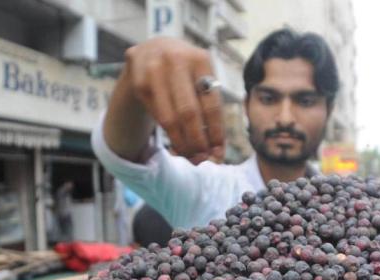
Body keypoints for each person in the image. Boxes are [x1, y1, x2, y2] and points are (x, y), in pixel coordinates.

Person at [92, 29, 338, 232]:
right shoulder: (208, 190)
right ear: (246, 105)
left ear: (328, 110)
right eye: (269, 98)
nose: (285, 118)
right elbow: (121, 155)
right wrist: (137, 77)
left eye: (305, 101)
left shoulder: (346, 208)